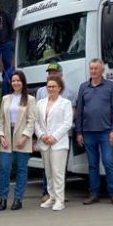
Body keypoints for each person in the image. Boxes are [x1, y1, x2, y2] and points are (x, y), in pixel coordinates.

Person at [75, 58, 113, 206]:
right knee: (92, 164)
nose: (93, 71)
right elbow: (79, 112)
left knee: (108, 162)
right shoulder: (83, 87)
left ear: (102, 70)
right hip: (88, 132)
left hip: (106, 132)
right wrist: (79, 132)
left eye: (96, 68)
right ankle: (94, 193)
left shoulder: (110, 86)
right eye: (91, 69)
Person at [0, 70, 36, 211]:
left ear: (23, 82)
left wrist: (25, 137)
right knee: (4, 168)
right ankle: (3, 199)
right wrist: (1, 136)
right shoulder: (6, 98)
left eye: (18, 80)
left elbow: (31, 120)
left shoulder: (30, 99)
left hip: (22, 137)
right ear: (10, 83)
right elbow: (0, 119)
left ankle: (18, 199)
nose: (16, 83)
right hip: (7, 136)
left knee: (21, 169)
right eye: (13, 81)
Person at [35, 75, 74, 211]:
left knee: (58, 172)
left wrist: (54, 137)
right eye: (49, 86)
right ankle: (51, 197)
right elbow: (36, 122)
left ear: (59, 88)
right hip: (44, 142)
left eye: (53, 86)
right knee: (48, 172)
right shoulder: (40, 103)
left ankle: (60, 199)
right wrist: (42, 135)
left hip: (58, 143)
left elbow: (67, 123)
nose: (50, 88)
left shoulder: (66, 103)